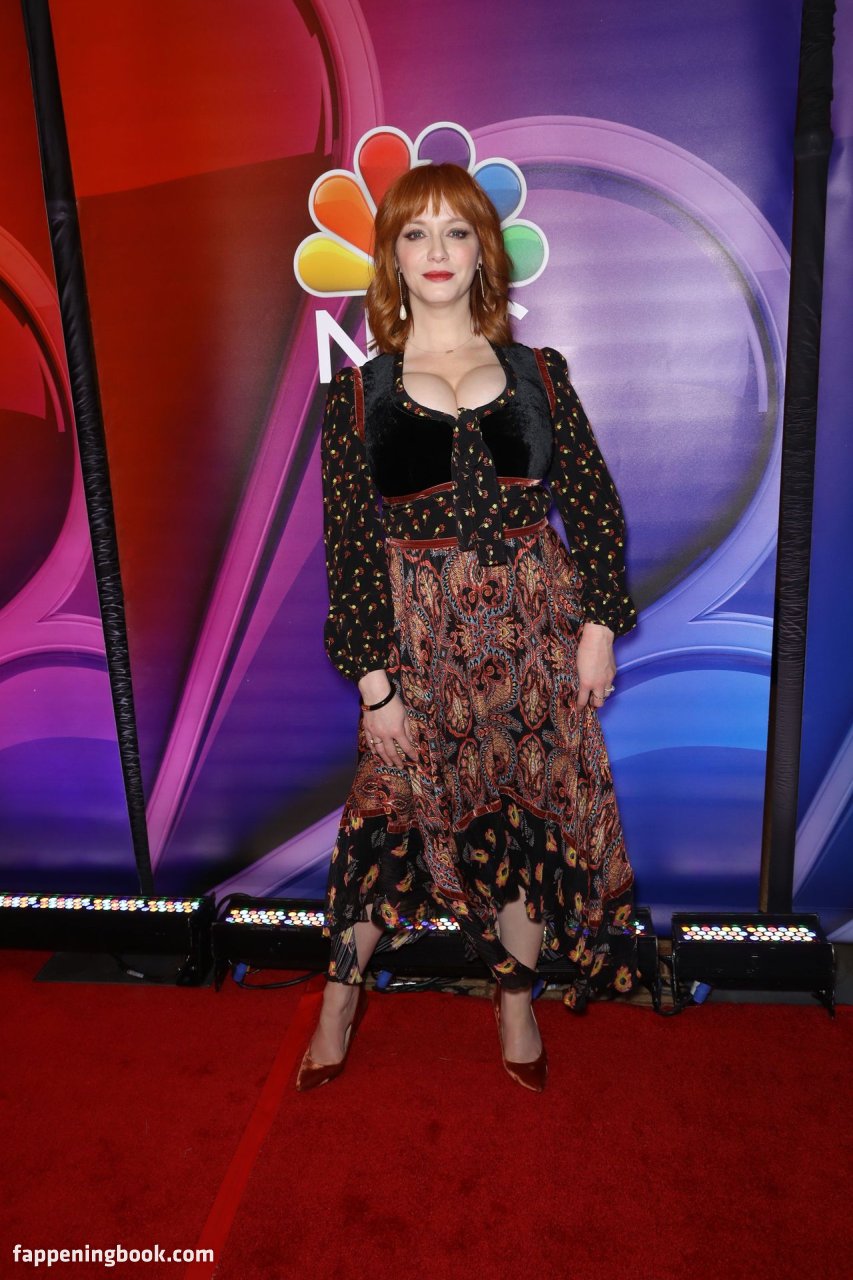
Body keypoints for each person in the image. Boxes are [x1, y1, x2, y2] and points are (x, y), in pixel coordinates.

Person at [297, 162, 638, 1094]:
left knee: (524, 821)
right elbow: (348, 549)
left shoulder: (540, 373)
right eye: (416, 233)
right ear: (392, 257)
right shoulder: (354, 395)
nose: (437, 250)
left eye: (456, 231)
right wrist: (374, 683)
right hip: (420, 644)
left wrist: (599, 628)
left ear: (483, 250)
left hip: (535, 635)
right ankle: (338, 998)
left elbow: (595, 509)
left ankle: (515, 1000)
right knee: (383, 821)